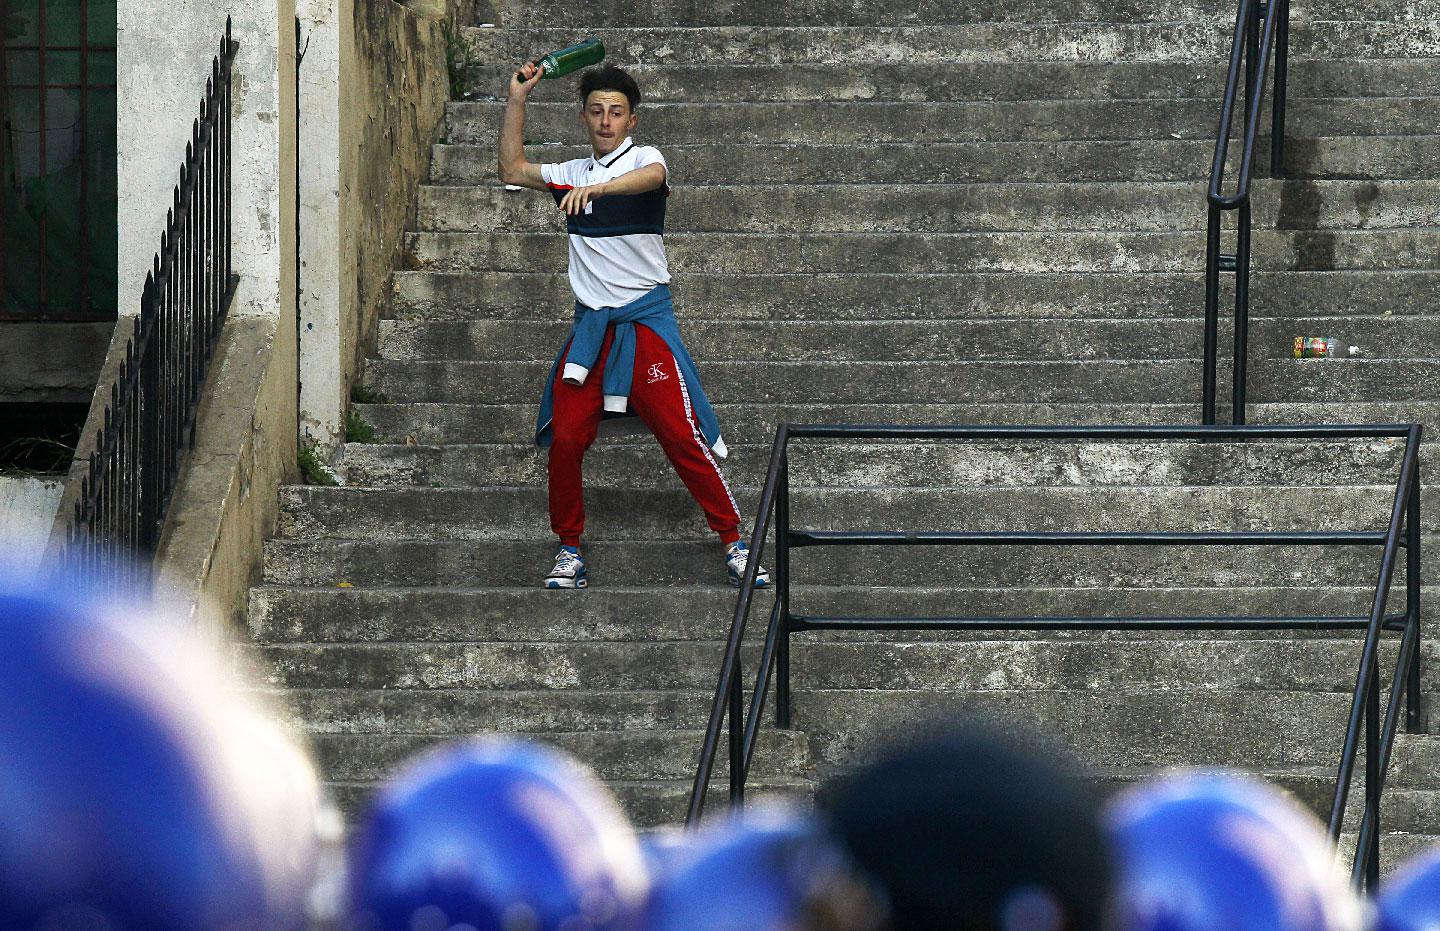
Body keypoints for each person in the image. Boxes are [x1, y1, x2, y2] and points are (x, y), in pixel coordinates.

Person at [498, 61, 769, 591]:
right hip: (592, 332)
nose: (606, 121)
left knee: (680, 433)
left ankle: (736, 541)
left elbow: (655, 178)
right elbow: (512, 169)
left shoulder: (645, 160)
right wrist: (517, 100)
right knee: (567, 437)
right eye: (597, 111)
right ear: (583, 117)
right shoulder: (571, 172)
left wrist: (599, 191)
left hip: (644, 322)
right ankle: (569, 549)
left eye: (616, 112)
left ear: (631, 121)